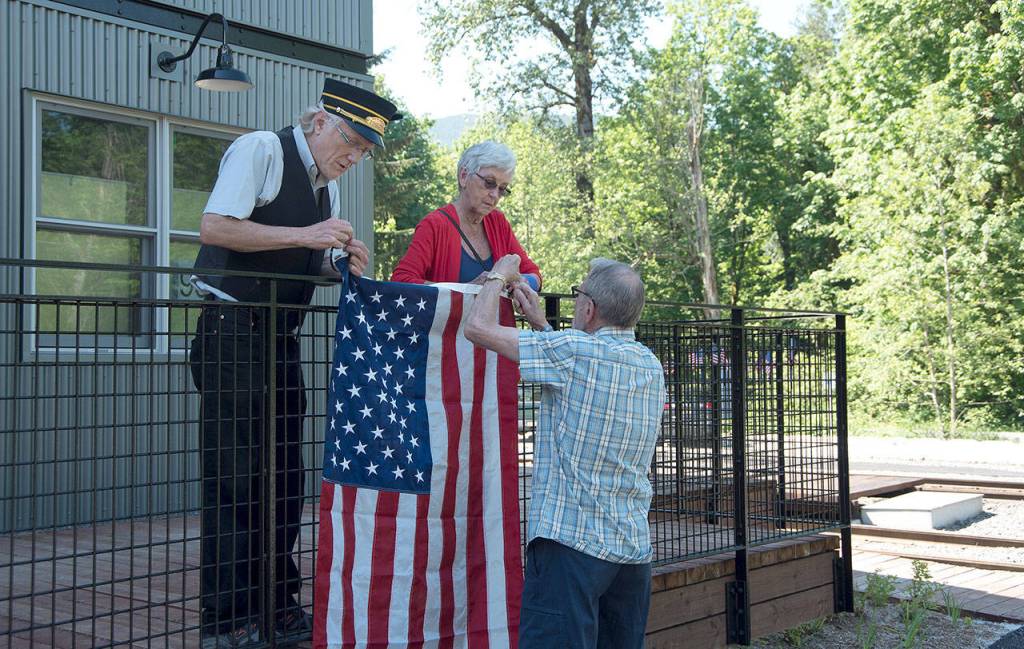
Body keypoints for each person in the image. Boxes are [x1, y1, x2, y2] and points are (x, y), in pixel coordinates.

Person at [189, 78, 400, 649]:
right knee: (235, 479)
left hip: (280, 338)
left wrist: (341, 265)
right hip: (232, 331)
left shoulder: (322, 188)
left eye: (362, 152)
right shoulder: (261, 148)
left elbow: (299, 260)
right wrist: (310, 234)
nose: (353, 158)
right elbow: (216, 227)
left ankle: (278, 606)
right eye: (350, 142)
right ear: (320, 122)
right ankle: (226, 620)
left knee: (284, 477)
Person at [464, 256, 666, 649]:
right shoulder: (650, 365)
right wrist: (540, 324)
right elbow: (583, 368)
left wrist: (496, 276)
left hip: (570, 551)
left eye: (579, 296)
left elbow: (478, 328)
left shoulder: (572, 354)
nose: (575, 303)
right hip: (631, 554)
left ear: (589, 308)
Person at [390, 140, 541, 292]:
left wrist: (520, 283)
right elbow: (401, 281)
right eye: (489, 183)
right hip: (453, 317)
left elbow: (534, 275)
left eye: (502, 189)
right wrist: (465, 290)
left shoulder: (498, 222)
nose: (495, 195)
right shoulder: (434, 225)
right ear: (463, 176)